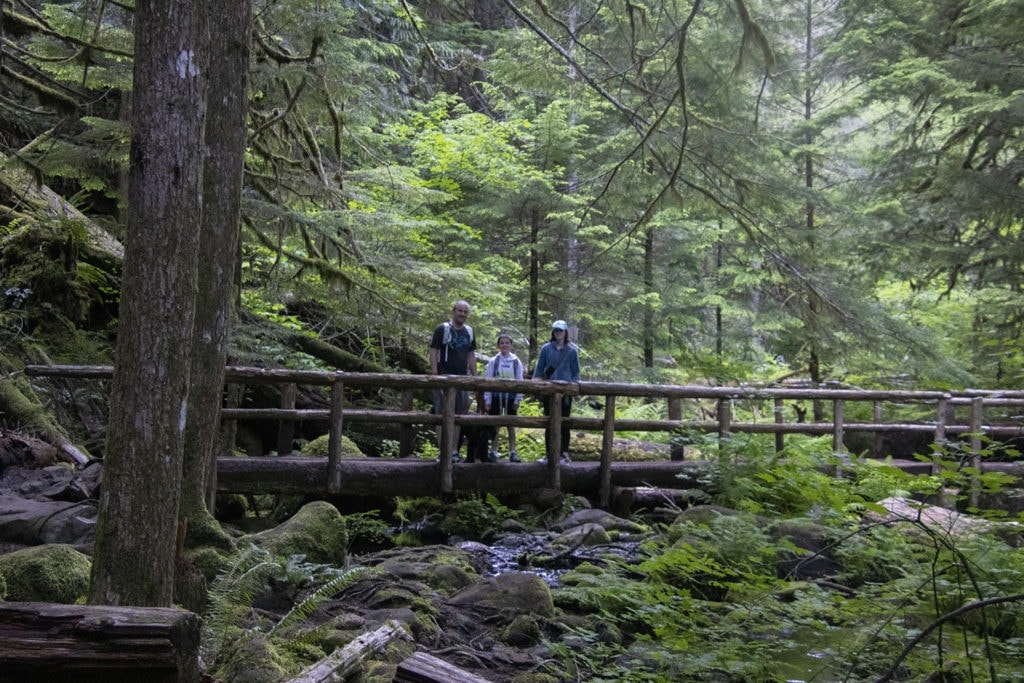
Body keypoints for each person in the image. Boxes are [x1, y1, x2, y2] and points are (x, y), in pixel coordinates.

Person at [429, 300, 476, 461]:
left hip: (462, 380)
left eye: (465, 312)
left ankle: (453, 451)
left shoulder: (469, 331)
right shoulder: (442, 329)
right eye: (460, 311)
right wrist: (435, 374)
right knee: (441, 414)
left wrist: (475, 378)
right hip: (443, 378)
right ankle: (444, 451)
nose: (462, 314)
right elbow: (434, 351)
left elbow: (471, 355)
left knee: (458, 416)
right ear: (453, 311)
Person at [533, 319, 580, 462]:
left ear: (565, 332)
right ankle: (550, 453)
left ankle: (564, 453)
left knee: (564, 422)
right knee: (549, 422)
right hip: (549, 390)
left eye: (561, 330)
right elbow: (539, 369)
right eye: (556, 330)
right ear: (553, 332)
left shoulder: (572, 350)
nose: (558, 333)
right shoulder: (546, 348)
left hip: (566, 392)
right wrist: (535, 383)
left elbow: (576, 372)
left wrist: (573, 387)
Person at [484, 333, 525, 462]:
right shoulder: (493, 361)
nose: (504, 345)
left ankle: (513, 451)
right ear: (498, 345)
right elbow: (488, 381)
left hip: (511, 398)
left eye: (507, 342)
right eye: (502, 343)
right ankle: (493, 451)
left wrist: (518, 399)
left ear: (511, 345)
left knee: (510, 424)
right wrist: (488, 399)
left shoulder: (516, 362)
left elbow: (520, 381)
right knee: (495, 424)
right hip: (496, 396)